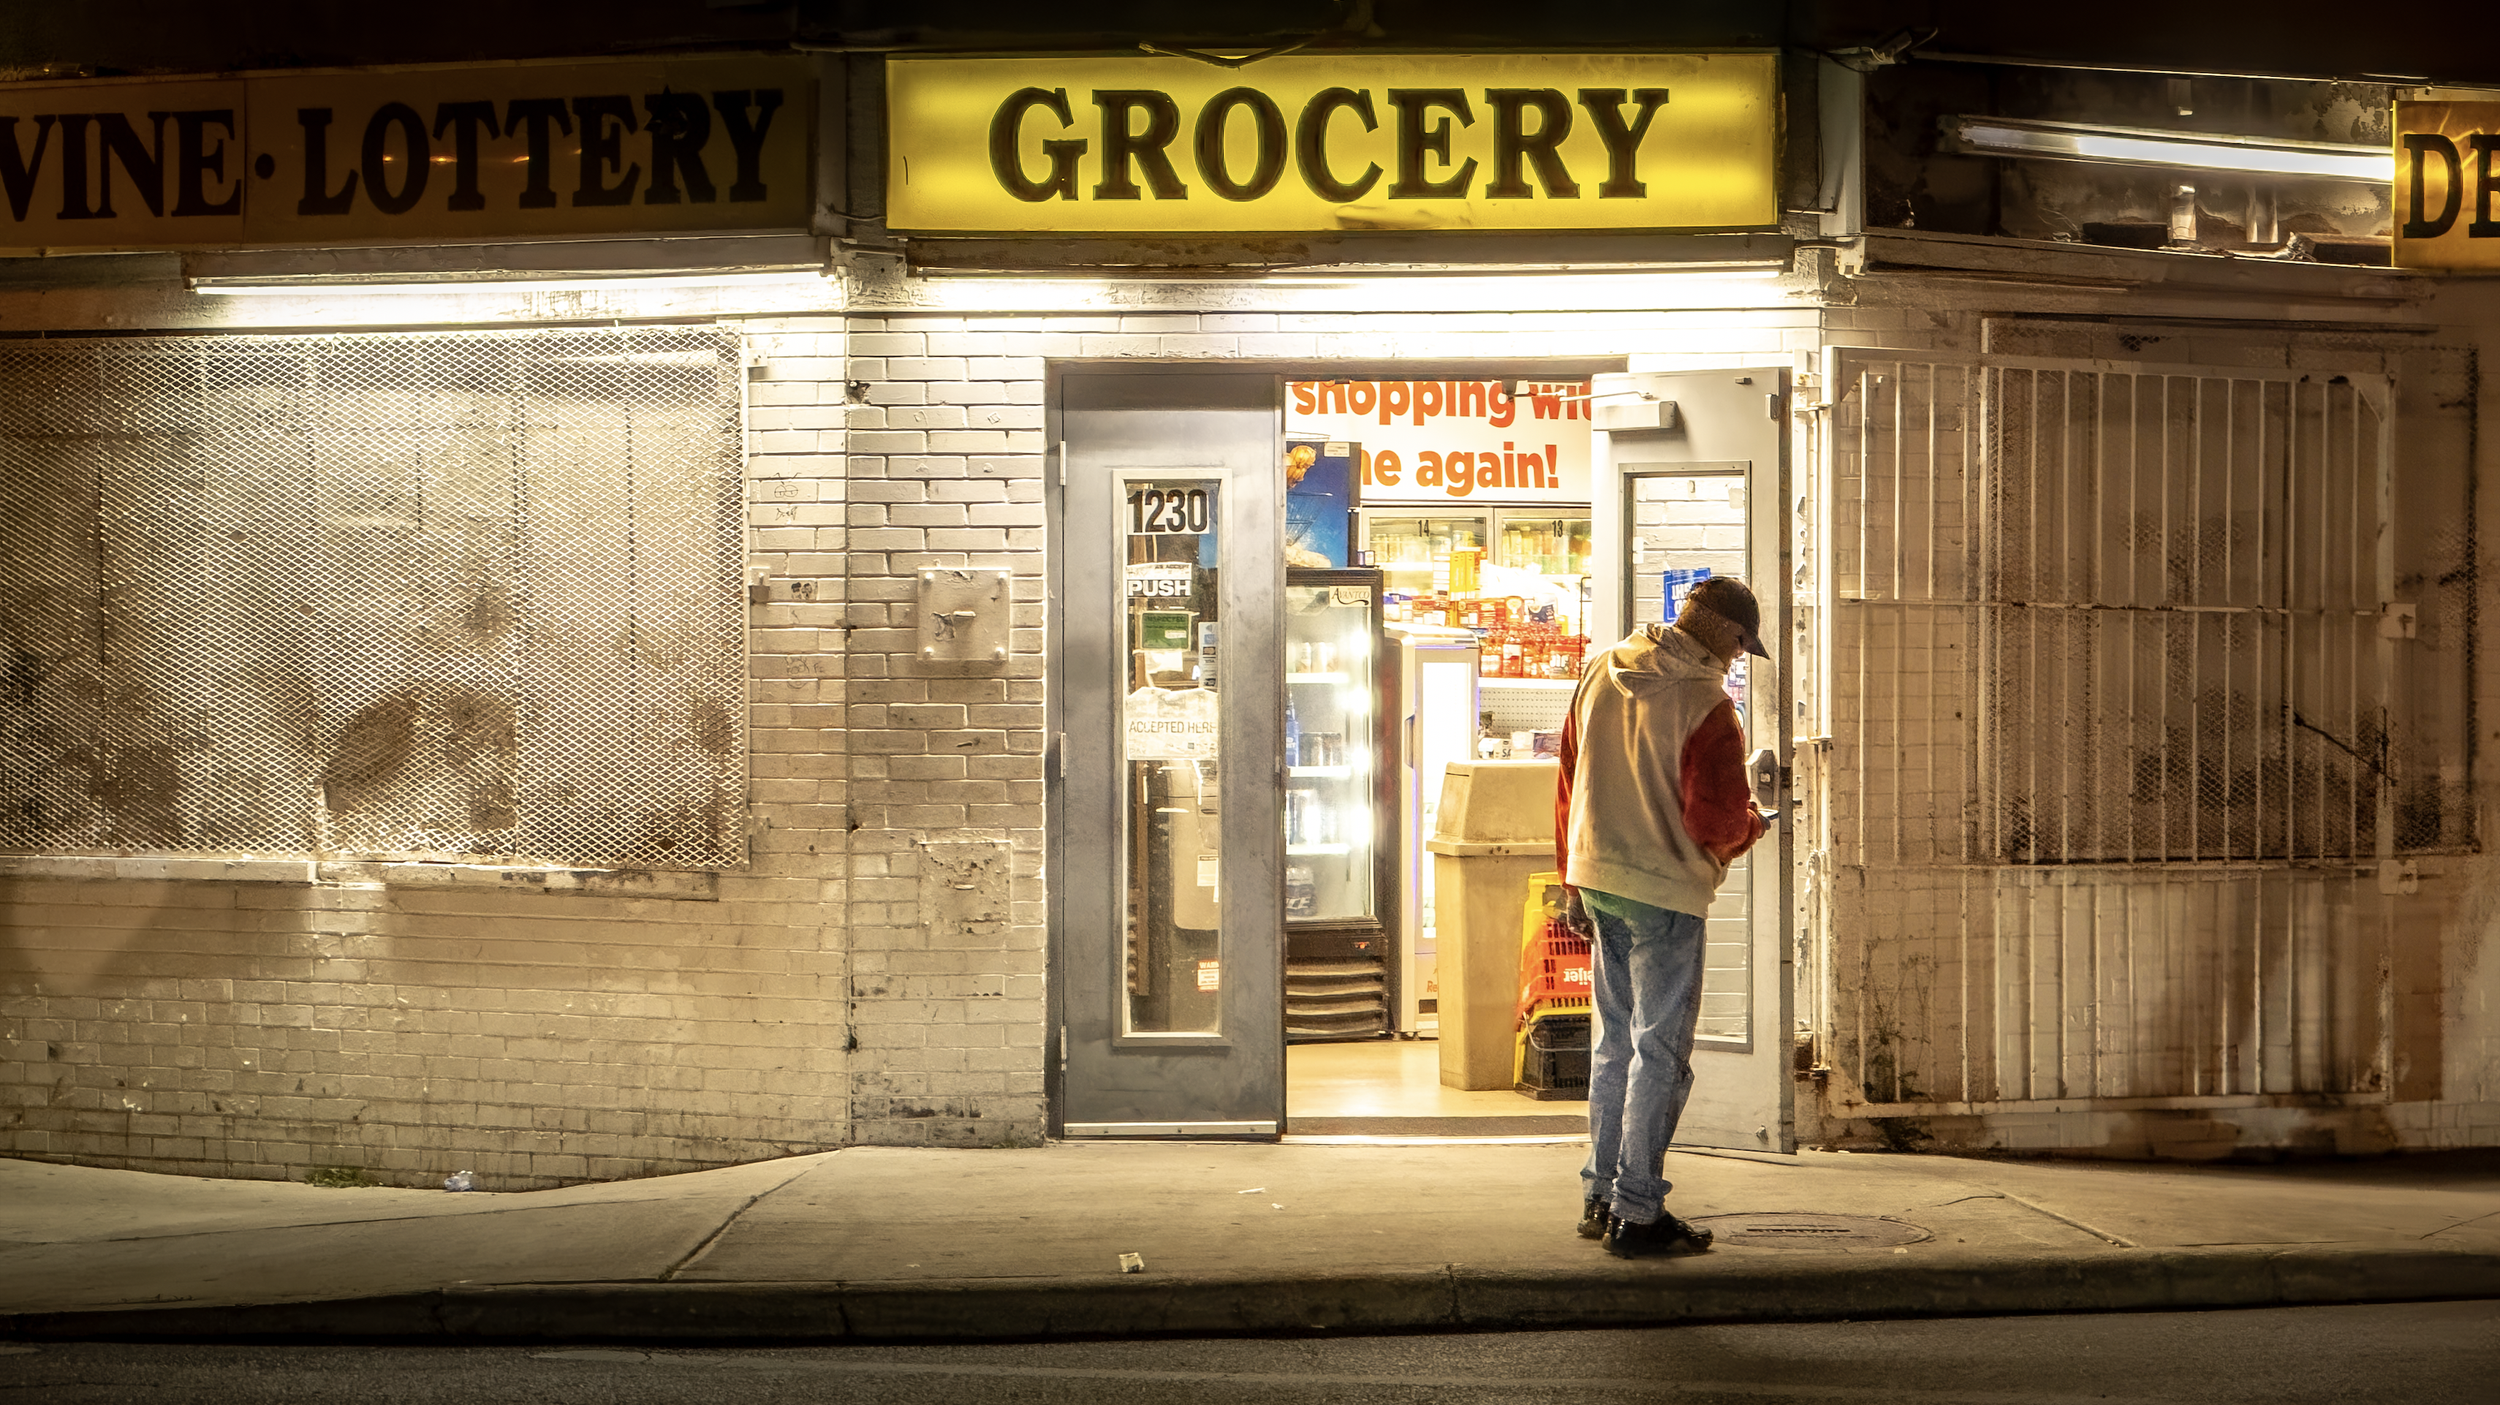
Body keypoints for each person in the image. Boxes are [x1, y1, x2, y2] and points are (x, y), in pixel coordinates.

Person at [1553, 574, 1771, 1258]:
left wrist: (1570, 878)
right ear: (1725, 633)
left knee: (1614, 1045)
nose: (1737, 659)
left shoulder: (1602, 669)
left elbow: (1567, 780)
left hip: (1597, 878)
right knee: (1660, 1054)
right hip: (1665, 893)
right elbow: (1713, 822)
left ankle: (1599, 1196)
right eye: (1741, 645)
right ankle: (1638, 1210)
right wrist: (1754, 824)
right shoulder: (1708, 705)